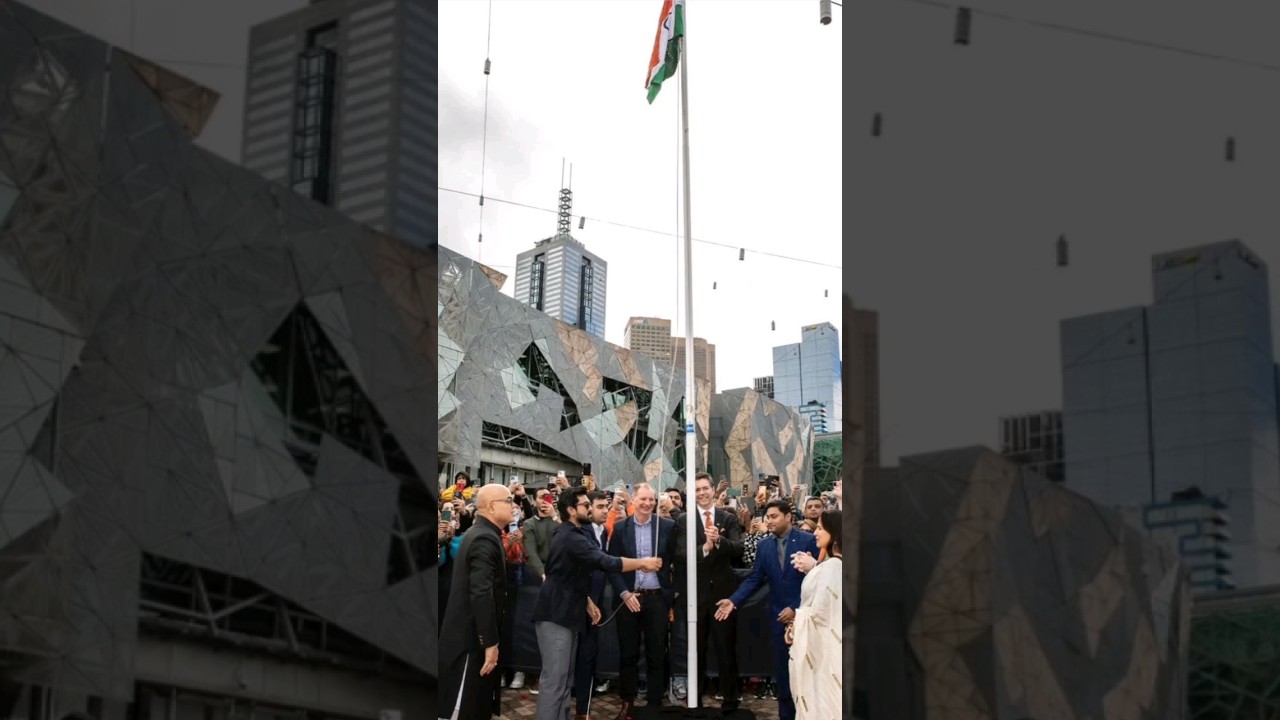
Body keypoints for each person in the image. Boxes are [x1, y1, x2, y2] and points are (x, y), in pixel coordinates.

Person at [533, 486, 662, 720]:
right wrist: (642, 563)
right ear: (572, 510)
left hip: (568, 612)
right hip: (556, 615)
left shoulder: (576, 533)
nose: (590, 508)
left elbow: (570, 575)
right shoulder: (570, 536)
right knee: (555, 681)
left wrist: (586, 601)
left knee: (563, 679)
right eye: (585, 505)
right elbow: (604, 561)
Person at [715, 500, 817, 720]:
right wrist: (733, 601)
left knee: (809, 674)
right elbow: (754, 579)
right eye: (767, 517)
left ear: (788, 517)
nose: (768, 521)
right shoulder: (764, 545)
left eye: (773, 516)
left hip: (808, 618)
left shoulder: (809, 541)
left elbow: (818, 580)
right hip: (779, 620)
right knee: (783, 675)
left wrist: (796, 608)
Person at [439, 484, 515, 720]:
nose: (513, 505)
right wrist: (490, 642)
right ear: (492, 506)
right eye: (509, 500)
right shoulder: (484, 537)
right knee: (462, 709)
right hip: (470, 644)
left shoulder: (482, 533)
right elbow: (481, 593)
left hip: (472, 638)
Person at [673, 472, 745, 712]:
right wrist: (705, 547)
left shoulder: (728, 517)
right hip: (695, 596)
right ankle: (696, 700)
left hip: (723, 596)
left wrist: (719, 542)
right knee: (696, 650)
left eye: (705, 488)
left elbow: (738, 549)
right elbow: (680, 555)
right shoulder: (684, 520)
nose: (702, 493)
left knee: (726, 648)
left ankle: (731, 701)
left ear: (714, 490)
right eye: (697, 489)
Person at [606, 482, 677, 719]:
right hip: (629, 600)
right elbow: (612, 565)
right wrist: (624, 594)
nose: (648, 504)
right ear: (632, 501)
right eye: (643, 499)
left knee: (657, 653)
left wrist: (670, 593)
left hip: (657, 598)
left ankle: (654, 703)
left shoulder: (667, 526)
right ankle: (627, 702)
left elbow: (679, 559)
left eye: (651, 499)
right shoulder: (620, 527)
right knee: (628, 654)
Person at [787, 510, 843, 720]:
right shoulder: (831, 565)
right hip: (824, 648)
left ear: (835, 533)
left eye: (820, 528)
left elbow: (822, 613)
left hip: (823, 651)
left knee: (823, 702)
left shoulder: (833, 567)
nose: (816, 532)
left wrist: (796, 622)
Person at [571, 490, 612, 719]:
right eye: (599, 507)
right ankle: (576, 707)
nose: (605, 510)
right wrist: (587, 599)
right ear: (588, 509)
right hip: (578, 603)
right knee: (573, 656)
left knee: (588, 655)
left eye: (606, 506)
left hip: (595, 604)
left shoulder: (604, 531)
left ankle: (582, 709)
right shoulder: (579, 531)